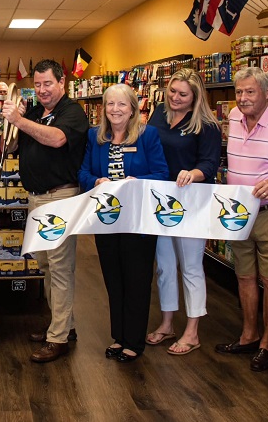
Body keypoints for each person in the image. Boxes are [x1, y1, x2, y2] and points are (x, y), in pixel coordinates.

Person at [2, 59, 89, 363]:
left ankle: (58, 338)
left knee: (60, 267)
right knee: (46, 265)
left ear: (62, 82)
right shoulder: (36, 112)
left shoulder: (72, 112)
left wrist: (19, 120)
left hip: (60, 198)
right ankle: (64, 325)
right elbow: (12, 147)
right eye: (37, 84)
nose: (42, 90)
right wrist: (13, 120)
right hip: (36, 198)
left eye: (47, 83)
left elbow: (56, 138)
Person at [78, 83, 169, 363]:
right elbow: (82, 172)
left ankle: (134, 342)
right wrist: (96, 181)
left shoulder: (147, 135)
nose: (115, 109)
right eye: (110, 104)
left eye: (121, 104)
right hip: (107, 220)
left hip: (137, 220)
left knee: (137, 280)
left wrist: (136, 182)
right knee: (113, 279)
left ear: (132, 109)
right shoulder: (95, 136)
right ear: (103, 108)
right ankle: (118, 336)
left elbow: (162, 173)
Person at [145, 69, 221, 355]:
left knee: (191, 266)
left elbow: (210, 164)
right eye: (172, 91)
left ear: (196, 97)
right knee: (164, 265)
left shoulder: (207, 125)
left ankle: (192, 331)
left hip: (192, 201)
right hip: (162, 201)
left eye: (182, 94)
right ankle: (167, 324)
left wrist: (193, 173)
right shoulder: (159, 112)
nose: (175, 98)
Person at [215, 67, 268, 372]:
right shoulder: (232, 116)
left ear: (267, 92)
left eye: (250, 91)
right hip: (237, 212)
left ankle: (267, 343)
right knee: (244, 275)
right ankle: (249, 335)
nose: (242, 98)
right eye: (239, 91)